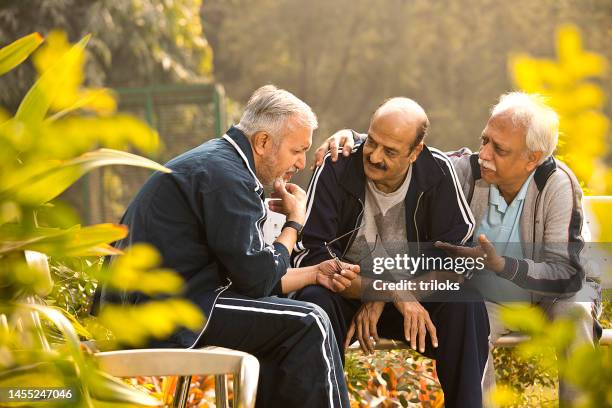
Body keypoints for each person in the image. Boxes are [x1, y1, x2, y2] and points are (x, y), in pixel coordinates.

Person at [317, 92, 602, 406]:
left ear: (531, 158)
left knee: (575, 315)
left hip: (554, 295)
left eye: (500, 149)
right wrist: (354, 139)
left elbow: (565, 273)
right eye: (485, 141)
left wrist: (506, 265)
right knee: (471, 318)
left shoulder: (558, 185)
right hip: (492, 297)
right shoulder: (467, 170)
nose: (485, 154)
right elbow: (412, 151)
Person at [93, 85, 360, 408]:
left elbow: (255, 278)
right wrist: (294, 223)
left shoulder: (220, 162)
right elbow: (259, 280)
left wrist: (315, 273)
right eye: (297, 151)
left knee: (290, 323)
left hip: (157, 305)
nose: (302, 163)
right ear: (262, 142)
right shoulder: (227, 176)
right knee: (310, 321)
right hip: (163, 313)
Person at [293, 97, 490, 408]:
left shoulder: (437, 172)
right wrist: (386, 291)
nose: (374, 155)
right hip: (346, 298)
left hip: (415, 300)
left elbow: (458, 260)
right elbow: (312, 256)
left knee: (466, 301)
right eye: (371, 142)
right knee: (312, 304)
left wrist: (392, 294)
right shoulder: (337, 166)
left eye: (390, 151)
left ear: (415, 152)